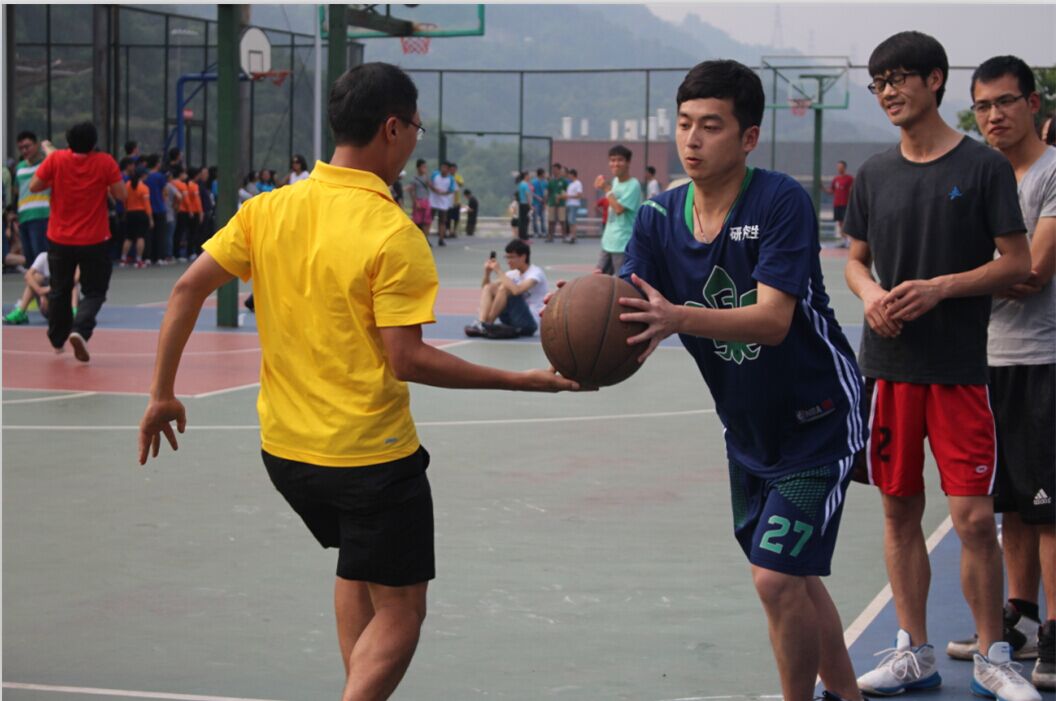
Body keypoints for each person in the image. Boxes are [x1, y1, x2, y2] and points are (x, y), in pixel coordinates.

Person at [136, 62, 579, 701]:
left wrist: (161, 394)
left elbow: (185, 290)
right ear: (392, 128)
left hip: (287, 453)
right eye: (416, 129)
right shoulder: (391, 232)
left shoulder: (268, 208)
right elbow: (408, 359)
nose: (414, 141)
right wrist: (523, 380)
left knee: (357, 566)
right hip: (369, 458)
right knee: (401, 610)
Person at [616, 59, 867, 701]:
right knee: (794, 578)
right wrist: (579, 314)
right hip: (748, 430)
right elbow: (627, 302)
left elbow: (773, 320)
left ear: (748, 137)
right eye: (683, 124)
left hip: (818, 418)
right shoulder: (657, 217)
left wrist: (677, 317)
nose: (692, 139)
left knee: (775, 579)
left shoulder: (779, 200)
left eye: (711, 126)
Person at [842, 32, 1036, 701]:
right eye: (878, 82)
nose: (888, 91)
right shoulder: (873, 174)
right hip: (889, 368)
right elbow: (855, 260)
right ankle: (912, 652)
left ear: (934, 80)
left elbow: (1017, 263)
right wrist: (871, 296)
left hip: (959, 370)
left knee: (975, 518)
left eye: (899, 77)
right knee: (899, 513)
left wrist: (940, 288)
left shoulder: (982, 167)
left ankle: (994, 654)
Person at [943, 55, 1055, 692]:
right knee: (1009, 503)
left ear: (1032, 104)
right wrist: (985, 271)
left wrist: (953, 279)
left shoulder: (1052, 172)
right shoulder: (982, 176)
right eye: (982, 106)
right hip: (984, 360)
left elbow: (1031, 272)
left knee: (1048, 509)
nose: (993, 116)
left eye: (1005, 102)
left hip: (1043, 359)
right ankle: (1022, 614)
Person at [29, 121, 126, 362]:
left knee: (60, 289)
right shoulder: (105, 162)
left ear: (68, 140)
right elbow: (121, 194)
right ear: (93, 142)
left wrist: (55, 175)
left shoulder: (56, 160)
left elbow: (34, 186)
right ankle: (80, 329)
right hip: (94, 238)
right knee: (95, 290)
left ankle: (57, 338)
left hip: (59, 237)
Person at [463, 238, 548, 339]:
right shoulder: (512, 274)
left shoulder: (535, 273)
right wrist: (487, 273)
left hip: (529, 322)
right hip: (512, 319)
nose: (508, 261)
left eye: (511, 257)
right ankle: (481, 323)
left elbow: (517, 291)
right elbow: (486, 288)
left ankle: (487, 324)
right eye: (507, 257)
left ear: (523, 257)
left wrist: (499, 271)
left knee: (505, 288)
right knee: (490, 287)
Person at [594, 145, 641, 274]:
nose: (615, 164)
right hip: (608, 242)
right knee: (599, 278)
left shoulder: (633, 185)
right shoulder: (615, 181)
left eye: (620, 160)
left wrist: (606, 189)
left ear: (628, 162)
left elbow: (619, 209)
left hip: (623, 243)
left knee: (621, 281)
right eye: (612, 160)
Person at [3, 251, 79, 325]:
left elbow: (76, 278)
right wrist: (40, 292)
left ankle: (74, 312)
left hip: (65, 305)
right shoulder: (43, 257)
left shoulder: (70, 257)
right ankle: (20, 312)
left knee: (71, 282)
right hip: (47, 305)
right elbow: (28, 276)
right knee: (36, 277)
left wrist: (51, 289)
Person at [15, 131, 51, 266]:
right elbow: (17, 192)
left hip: (42, 215)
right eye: (21, 148)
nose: (24, 151)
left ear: (36, 145)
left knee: (41, 257)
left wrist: (47, 147)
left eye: (27, 146)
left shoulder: (46, 164)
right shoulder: (19, 167)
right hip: (24, 217)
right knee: (30, 261)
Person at [120, 160, 151, 268]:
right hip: (141, 213)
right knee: (140, 237)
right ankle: (138, 260)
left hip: (130, 213)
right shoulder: (144, 188)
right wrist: (150, 218)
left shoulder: (127, 185)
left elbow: (124, 200)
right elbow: (147, 205)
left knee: (129, 237)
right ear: (142, 176)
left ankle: (123, 259)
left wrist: (126, 210)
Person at [144, 155, 170, 266]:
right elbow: (165, 192)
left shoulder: (146, 176)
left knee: (148, 234)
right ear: (156, 163)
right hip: (159, 208)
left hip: (147, 208)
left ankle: (148, 257)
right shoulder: (160, 176)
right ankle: (159, 257)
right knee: (160, 234)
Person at [825, 161, 854, 247]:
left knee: (846, 222)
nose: (839, 168)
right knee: (840, 223)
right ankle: (844, 240)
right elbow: (831, 190)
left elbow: (853, 189)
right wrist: (822, 188)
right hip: (837, 204)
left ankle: (849, 240)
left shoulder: (849, 178)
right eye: (838, 167)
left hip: (845, 204)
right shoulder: (836, 179)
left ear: (844, 168)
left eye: (840, 167)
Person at [428, 161, 454, 246]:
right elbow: (430, 183)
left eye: (445, 168)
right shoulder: (435, 174)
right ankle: (426, 238)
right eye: (442, 167)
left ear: (448, 169)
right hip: (433, 201)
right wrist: (435, 190)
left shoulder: (450, 179)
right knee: (429, 219)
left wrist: (443, 193)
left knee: (442, 221)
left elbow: (451, 190)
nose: (443, 169)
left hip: (443, 202)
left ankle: (441, 239)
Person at [409, 159, 431, 242]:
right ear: (418, 168)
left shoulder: (426, 177)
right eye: (423, 167)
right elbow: (412, 191)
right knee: (417, 221)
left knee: (427, 221)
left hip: (426, 200)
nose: (424, 168)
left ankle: (425, 239)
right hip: (418, 200)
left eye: (425, 167)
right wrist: (415, 202)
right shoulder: (414, 179)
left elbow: (430, 186)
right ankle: (418, 239)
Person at [546, 162, 568, 242]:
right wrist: (547, 201)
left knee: (562, 221)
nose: (554, 171)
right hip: (552, 203)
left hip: (561, 204)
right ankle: (550, 237)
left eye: (555, 169)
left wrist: (561, 197)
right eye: (553, 169)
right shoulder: (551, 181)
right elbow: (548, 192)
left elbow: (566, 192)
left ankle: (564, 237)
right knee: (551, 221)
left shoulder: (564, 181)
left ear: (559, 170)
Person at [563, 168, 583, 244]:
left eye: (569, 175)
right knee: (570, 221)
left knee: (572, 221)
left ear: (573, 175)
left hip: (574, 204)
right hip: (569, 204)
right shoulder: (570, 184)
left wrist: (568, 196)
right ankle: (572, 236)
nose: (569, 176)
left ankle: (573, 237)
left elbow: (579, 195)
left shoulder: (578, 183)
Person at [447, 162, 463, 237]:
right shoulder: (447, 177)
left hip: (457, 200)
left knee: (456, 217)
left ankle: (454, 231)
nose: (452, 171)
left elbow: (461, 184)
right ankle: (449, 230)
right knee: (448, 217)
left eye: (454, 169)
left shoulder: (458, 177)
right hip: (448, 200)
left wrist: (455, 180)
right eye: (451, 169)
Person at [515, 171, 532, 241]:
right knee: (525, 220)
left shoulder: (520, 184)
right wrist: (530, 205)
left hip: (521, 204)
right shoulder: (525, 184)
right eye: (528, 175)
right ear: (525, 176)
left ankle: (521, 235)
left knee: (522, 220)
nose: (529, 177)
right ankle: (525, 236)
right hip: (525, 204)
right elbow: (528, 195)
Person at [531, 168, 547, 238]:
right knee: (535, 217)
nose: (545, 175)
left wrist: (545, 202)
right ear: (541, 174)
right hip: (535, 202)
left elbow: (546, 192)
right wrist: (538, 197)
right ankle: (536, 232)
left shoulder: (545, 182)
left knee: (543, 218)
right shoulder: (533, 182)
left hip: (543, 202)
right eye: (544, 173)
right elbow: (531, 192)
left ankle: (544, 232)